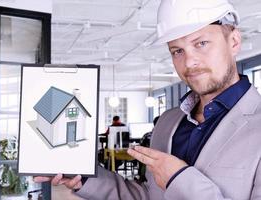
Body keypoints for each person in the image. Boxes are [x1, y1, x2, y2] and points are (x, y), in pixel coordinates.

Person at [34, 0, 261, 199]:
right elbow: (150, 195)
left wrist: (179, 179)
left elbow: (173, 184)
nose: (189, 62)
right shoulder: (168, 123)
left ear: (233, 41)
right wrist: (85, 177)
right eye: (177, 51)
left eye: (201, 43)